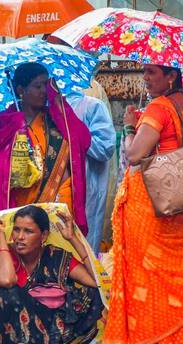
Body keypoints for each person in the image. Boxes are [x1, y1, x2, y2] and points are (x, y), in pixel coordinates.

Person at [102, 65, 183, 344]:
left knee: (146, 285)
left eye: (152, 73)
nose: (145, 78)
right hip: (182, 208)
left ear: (172, 76)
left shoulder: (159, 108)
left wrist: (129, 126)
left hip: (154, 209)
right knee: (178, 285)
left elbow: (134, 155)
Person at [0, 206, 103, 344]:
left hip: (47, 333)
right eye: (16, 230)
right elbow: (6, 281)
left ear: (43, 236)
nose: (20, 237)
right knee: (8, 294)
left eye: (28, 231)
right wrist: (2, 238)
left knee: (92, 294)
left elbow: (96, 281)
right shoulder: (4, 253)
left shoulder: (55, 256)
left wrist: (73, 239)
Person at [0, 63, 92, 234]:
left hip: (57, 198)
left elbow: (82, 140)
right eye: (37, 86)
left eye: (46, 85)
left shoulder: (57, 119)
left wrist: (59, 104)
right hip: (19, 203)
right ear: (20, 90)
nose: (44, 91)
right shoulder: (4, 123)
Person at [65, 88, 115, 253]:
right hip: (55, 193)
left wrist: (75, 134)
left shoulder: (91, 106)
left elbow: (105, 148)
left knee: (84, 251)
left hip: (86, 193)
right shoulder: (42, 108)